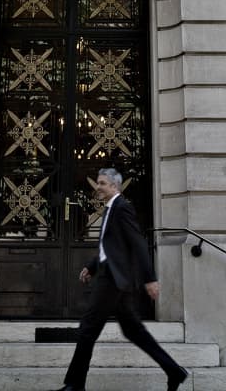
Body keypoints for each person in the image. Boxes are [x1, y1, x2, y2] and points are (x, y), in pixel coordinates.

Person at [54, 167, 190, 391]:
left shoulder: (122, 208)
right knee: (134, 331)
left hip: (113, 281)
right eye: (98, 183)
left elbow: (137, 243)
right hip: (114, 279)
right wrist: (91, 267)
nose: (98, 187)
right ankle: (174, 371)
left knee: (87, 328)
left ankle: (74, 385)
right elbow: (110, 247)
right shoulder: (109, 209)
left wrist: (150, 278)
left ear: (114, 186)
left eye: (102, 183)